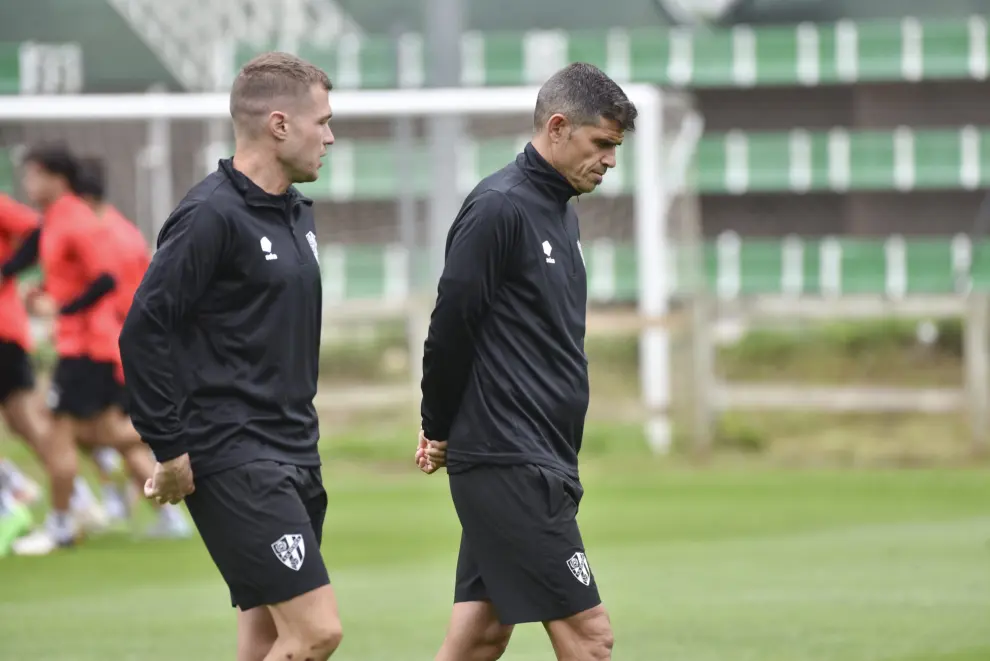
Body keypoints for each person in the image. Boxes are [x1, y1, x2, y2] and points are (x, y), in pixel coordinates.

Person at [118, 52, 339, 661]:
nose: (330, 135)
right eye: (321, 121)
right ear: (278, 125)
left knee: (267, 638)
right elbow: (144, 330)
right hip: (235, 454)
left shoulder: (296, 211)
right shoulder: (209, 215)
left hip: (294, 449)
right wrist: (170, 449)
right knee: (317, 632)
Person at [416, 62, 637, 661]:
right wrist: (436, 426)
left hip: (541, 456)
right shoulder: (498, 208)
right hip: (508, 460)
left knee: (479, 637)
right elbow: (450, 327)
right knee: (591, 638)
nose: (611, 161)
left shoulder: (561, 209)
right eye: (603, 144)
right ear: (559, 127)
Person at [10, 145, 157, 556]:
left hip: (89, 348)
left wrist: (60, 308)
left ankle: (60, 525)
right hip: (84, 346)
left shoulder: (77, 219)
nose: (27, 184)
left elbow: (106, 279)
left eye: (32, 175)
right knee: (101, 434)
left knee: (59, 433)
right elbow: (40, 264)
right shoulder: (56, 218)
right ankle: (184, 442)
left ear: (54, 177)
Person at [72, 157, 189, 536]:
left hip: (116, 348)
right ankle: (142, 504)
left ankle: (175, 439)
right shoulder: (120, 230)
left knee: (93, 432)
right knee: (94, 433)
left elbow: (125, 297)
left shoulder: (105, 236)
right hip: (120, 345)